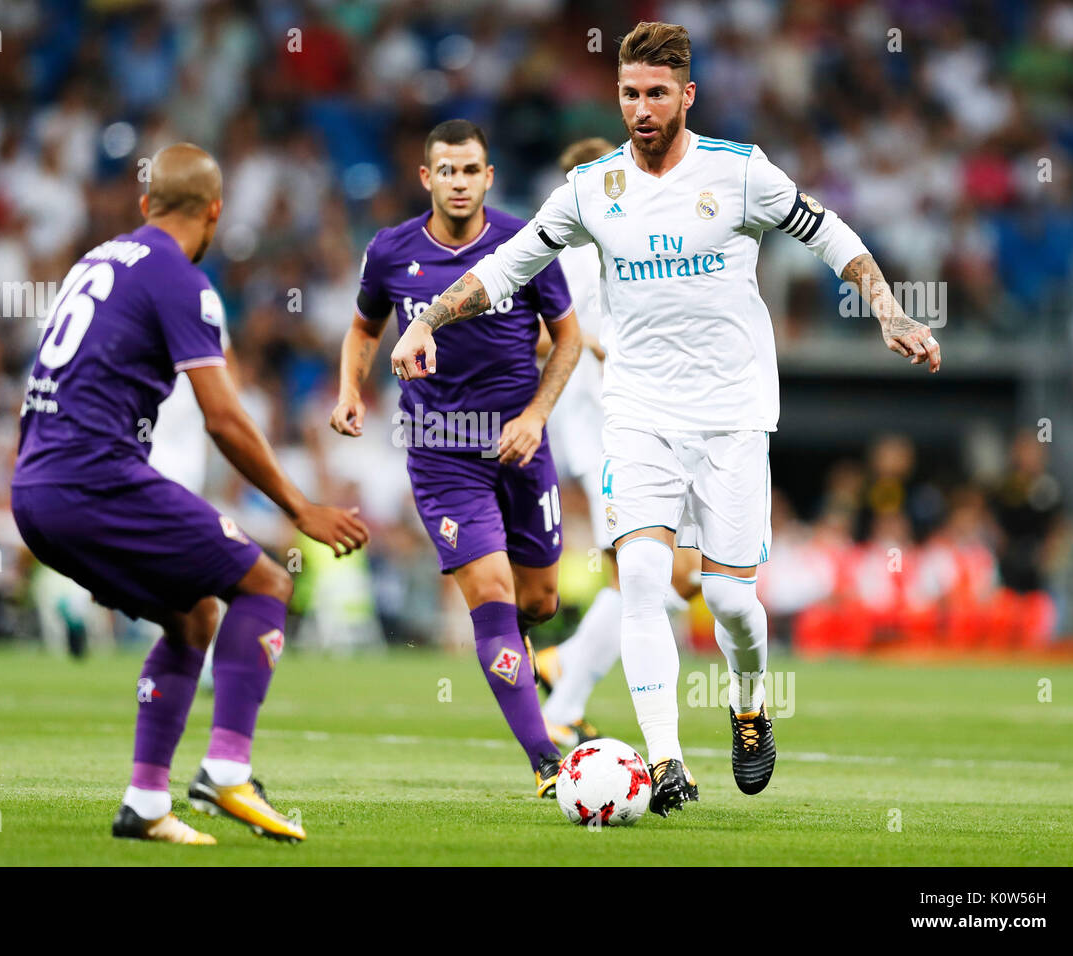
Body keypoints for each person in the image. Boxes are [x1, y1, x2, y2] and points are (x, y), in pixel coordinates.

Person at [390, 23, 942, 818]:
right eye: (628, 93)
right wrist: (426, 321)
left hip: (732, 416)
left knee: (727, 605)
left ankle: (749, 704)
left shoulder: (739, 172)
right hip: (639, 413)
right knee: (643, 578)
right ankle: (668, 759)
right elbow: (505, 268)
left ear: (687, 95)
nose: (641, 108)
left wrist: (887, 308)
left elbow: (829, 233)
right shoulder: (593, 189)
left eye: (656, 93)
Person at [12, 143, 368, 845]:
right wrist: (301, 508)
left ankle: (146, 804)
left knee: (195, 616)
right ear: (214, 212)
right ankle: (227, 770)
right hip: (94, 478)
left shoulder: (97, 262)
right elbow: (225, 415)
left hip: (36, 486)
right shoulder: (180, 280)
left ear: (145, 206)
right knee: (266, 582)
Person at [329, 120, 582, 797]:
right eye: (448, 171)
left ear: (489, 175)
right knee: (493, 596)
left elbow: (569, 339)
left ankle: (526, 668)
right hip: (441, 454)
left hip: (521, 444)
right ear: (427, 178)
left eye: (471, 170)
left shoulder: (524, 244)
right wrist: (351, 388)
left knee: (540, 598)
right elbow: (363, 326)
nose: (460, 182)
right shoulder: (390, 252)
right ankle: (545, 763)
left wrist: (535, 416)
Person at [535, 137, 701, 748]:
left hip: (631, 425)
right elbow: (545, 335)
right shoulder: (575, 253)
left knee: (661, 575)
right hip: (608, 429)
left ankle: (563, 673)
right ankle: (564, 693)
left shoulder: (618, 246)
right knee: (664, 574)